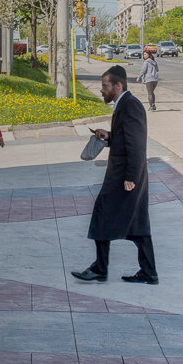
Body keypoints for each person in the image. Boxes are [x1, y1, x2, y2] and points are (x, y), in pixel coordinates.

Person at [71, 65, 157, 285]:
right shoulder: (124, 105)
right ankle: (149, 273)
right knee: (137, 224)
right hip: (127, 175)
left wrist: (130, 178)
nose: (101, 90)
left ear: (118, 86)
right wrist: (109, 137)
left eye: (105, 86)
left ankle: (100, 268)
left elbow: (137, 145)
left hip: (124, 177)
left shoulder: (131, 106)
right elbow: (126, 138)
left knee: (102, 214)